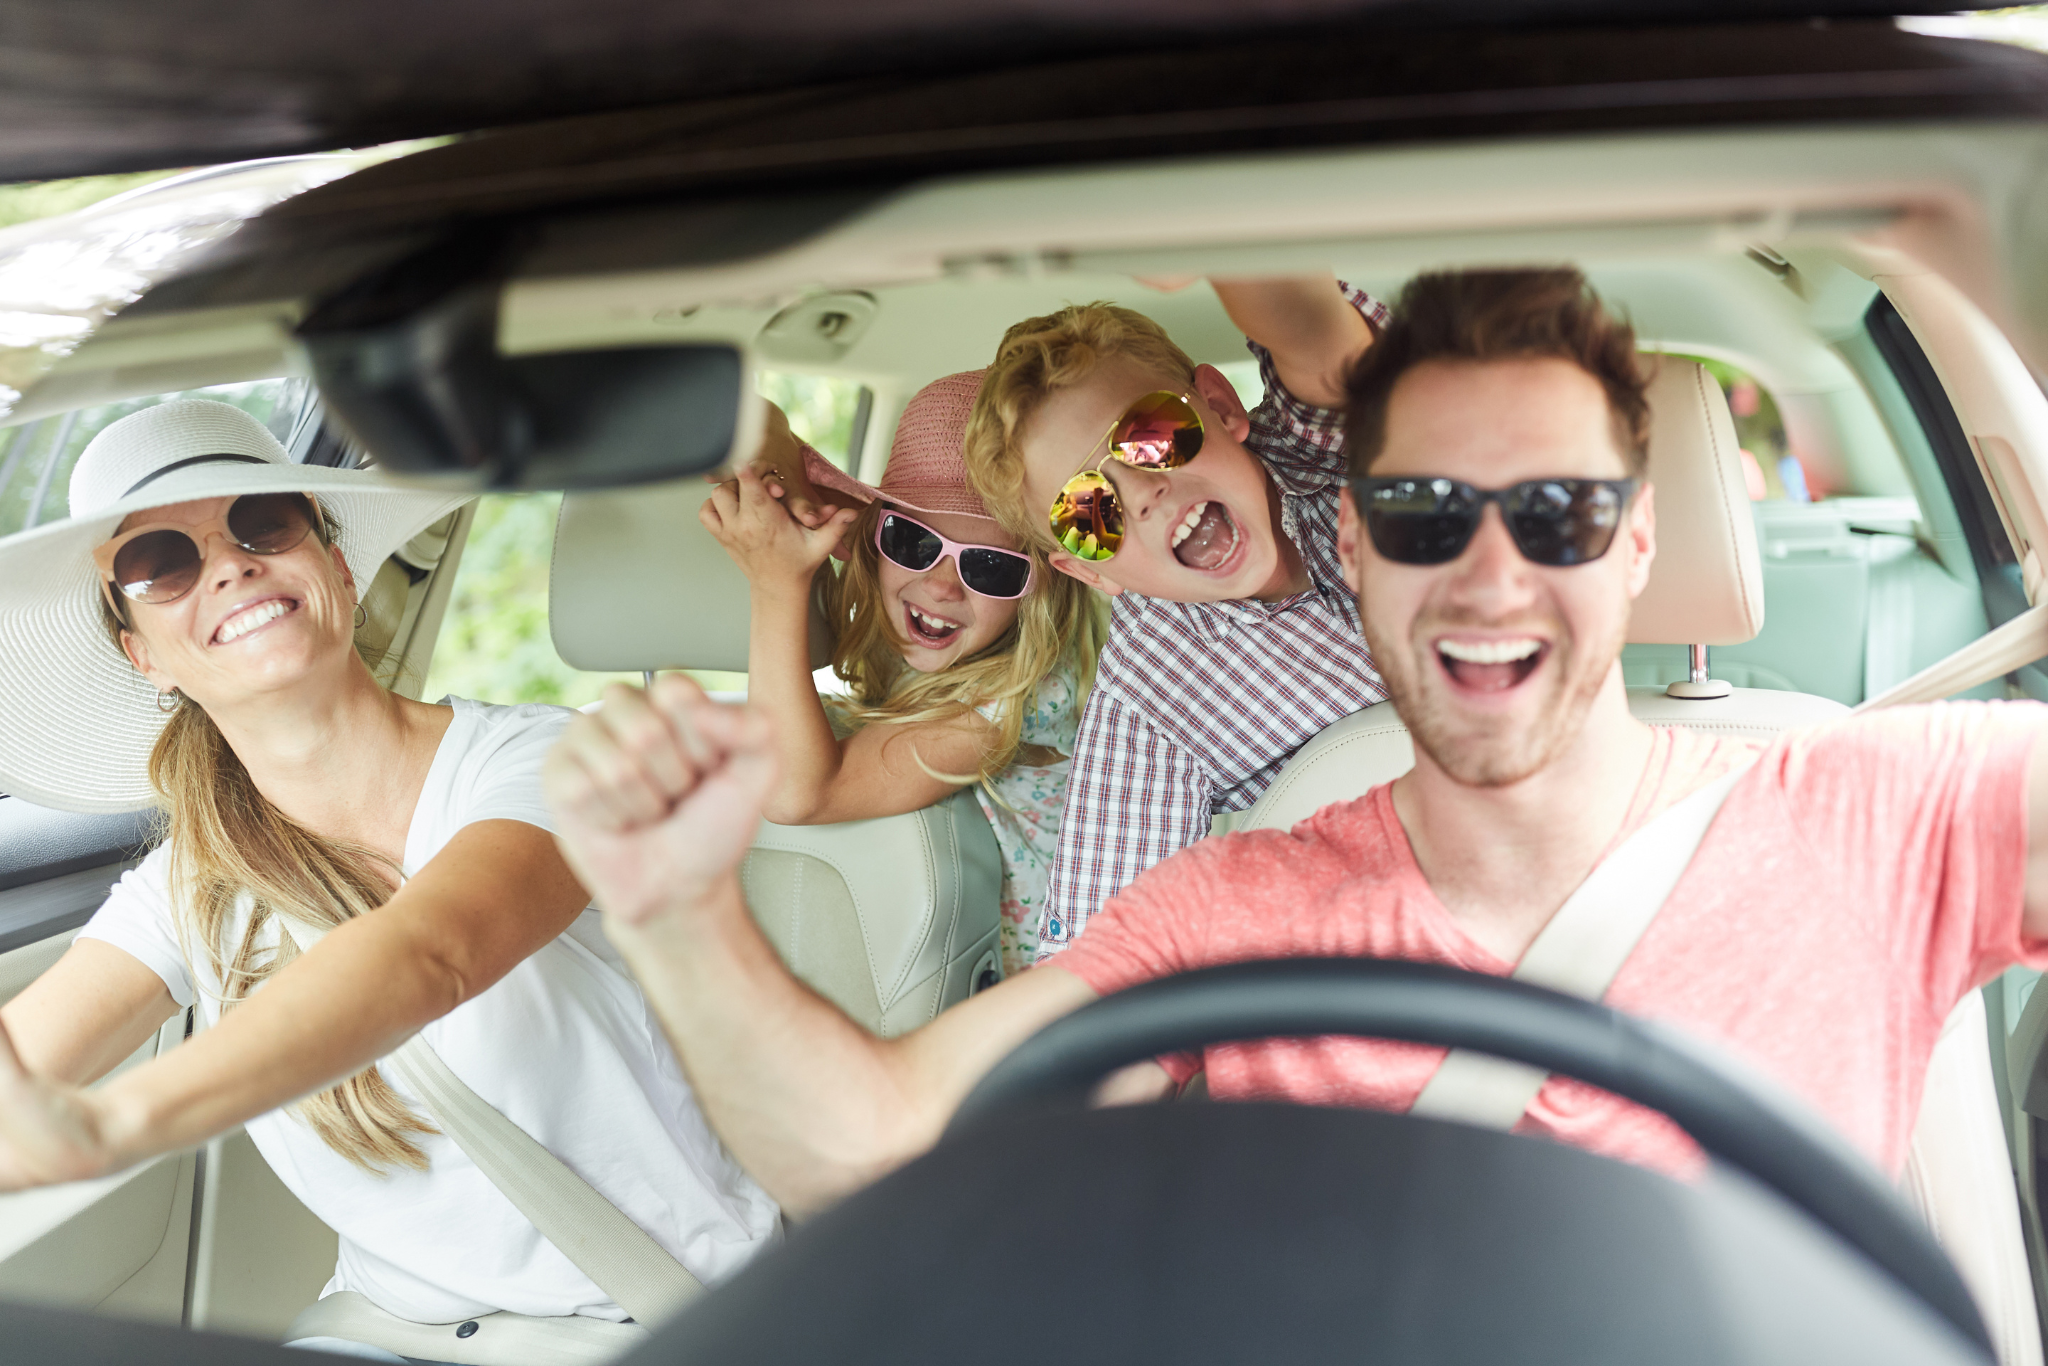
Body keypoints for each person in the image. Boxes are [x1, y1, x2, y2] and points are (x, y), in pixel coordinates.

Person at [542, 264, 2048, 1217]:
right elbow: (884, 1142)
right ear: (1360, 540)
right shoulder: (1232, 898)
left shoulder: (1878, 807)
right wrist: (675, 913)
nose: (1485, 566)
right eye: (1421, 513)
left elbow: (1315, 340)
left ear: (1641, 539)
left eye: (1555, 509)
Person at [0, 402, 778, 1353]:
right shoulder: (186, 887)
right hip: (391, 1333)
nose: (233, 565)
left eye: (263, 523)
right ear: (143, 654)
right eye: (161, 560)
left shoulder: (545, 761)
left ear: (337, 562)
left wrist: (118, 1119)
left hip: (658, 1317)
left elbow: (432, 954)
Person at [961, 277, 1390, 958]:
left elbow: (1319, 340)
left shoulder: (1323, 456)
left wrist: (1225, 233)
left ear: (1219, 407)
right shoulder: (1151, 699)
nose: (1143, 495)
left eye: (1149, 435)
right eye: (1088, 513)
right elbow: (1104, 965)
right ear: (1090, 573)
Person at [700, 374, 1104, 973]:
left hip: (1060, 1009)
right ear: (874, 538)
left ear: (1040, 590)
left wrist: (776, 581)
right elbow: (731, 416)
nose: (941, 585)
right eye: (914, 541)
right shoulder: (933, 634)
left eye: (992, 567)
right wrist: (781, 450)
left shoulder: (1027, 692)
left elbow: (796, 795)